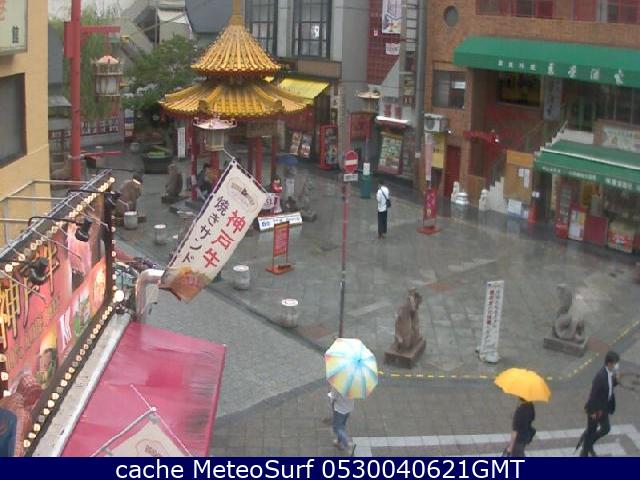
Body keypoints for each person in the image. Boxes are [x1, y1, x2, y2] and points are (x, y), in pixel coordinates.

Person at [577, 350, 620, 456]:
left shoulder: (610, 373)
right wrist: (592, 411)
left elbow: (609, 386)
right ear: (609, 363)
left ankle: (589, 443)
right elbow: (593, 395)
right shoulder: (600, 377)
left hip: (604, 408)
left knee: (606, 428)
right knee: (591, 431)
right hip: (595, 410)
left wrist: (616, 381)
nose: (616, 366)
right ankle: (584, 452)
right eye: (615, 363)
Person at [328, 386, 354, 451]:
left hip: (339, 410)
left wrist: (331, 398)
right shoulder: (354, 385)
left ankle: (347, 441)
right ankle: (339, 442)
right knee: (342, 425)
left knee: (336, 428)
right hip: (349, 408)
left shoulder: (338, 386)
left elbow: (333, 397)